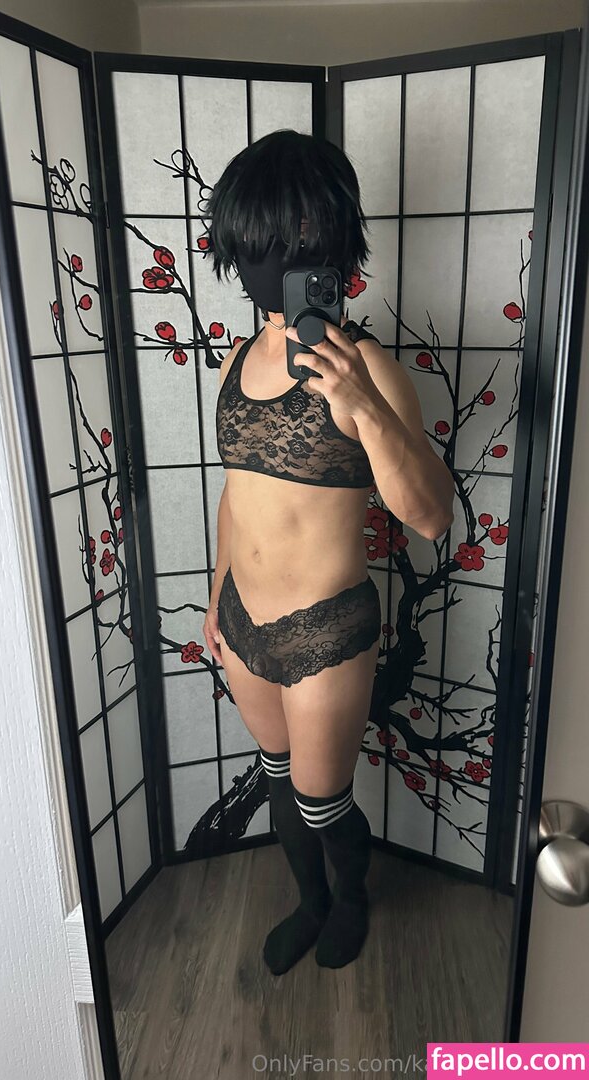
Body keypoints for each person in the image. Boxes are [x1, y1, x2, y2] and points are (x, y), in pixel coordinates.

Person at [203, 130, 454, 974]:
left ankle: (350, 899)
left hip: (325, 630)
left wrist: (362, 402)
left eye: (303, 235)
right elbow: (236, 495)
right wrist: (214, 597)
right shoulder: (237, 359)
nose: (281, 256)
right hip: (242, 621)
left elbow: (431, 517)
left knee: (321, 801)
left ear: (336, 243)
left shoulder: (368, 367)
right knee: (277, 779)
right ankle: (310, 901)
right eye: (263, 240)